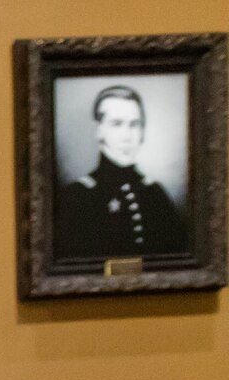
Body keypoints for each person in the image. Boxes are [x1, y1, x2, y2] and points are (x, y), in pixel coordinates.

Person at [54, 85, 188, 259]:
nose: (127, 136)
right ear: (98, 130)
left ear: (142, 132)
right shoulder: (78, 196)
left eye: (134, 125)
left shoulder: (154, 193)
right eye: (116, 124)